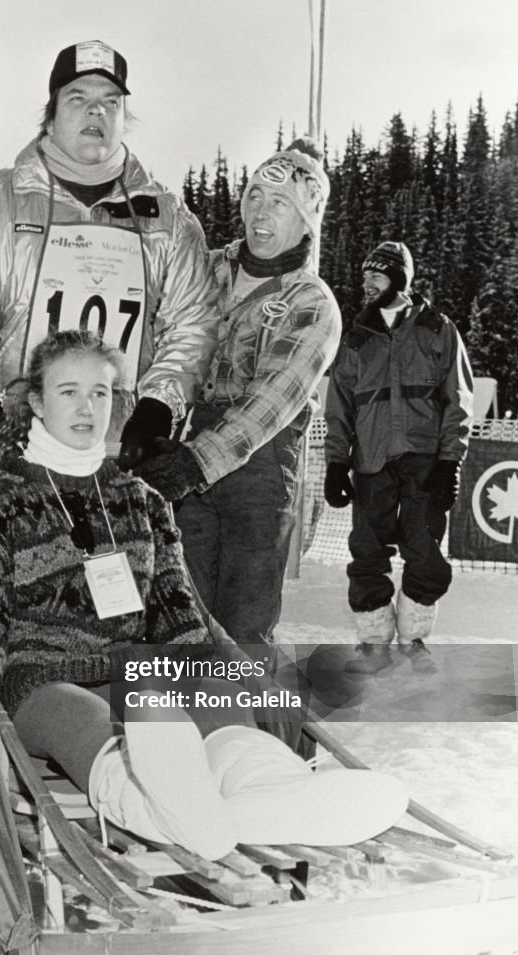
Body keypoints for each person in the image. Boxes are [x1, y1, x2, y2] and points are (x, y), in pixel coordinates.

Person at [0, 329, 408, 862]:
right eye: (68, 392)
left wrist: (241, 680)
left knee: (209, 698)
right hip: (40, 676)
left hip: (137, 673)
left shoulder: (139, 499)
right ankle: (145, 805)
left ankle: (266, 788)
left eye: (100, 393)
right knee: (80, 714)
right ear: (36, 401)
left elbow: (180, 616)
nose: (86, 408)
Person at [0, 39, 218, 473]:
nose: (95, 112)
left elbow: (192, 324)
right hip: (16, 450)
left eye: (110, 102)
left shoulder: (167, 220)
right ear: (52, 112)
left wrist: (158, 408)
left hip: (118, 454)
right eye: (78, 98)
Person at [137, 140, 340, 659]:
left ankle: (248, 734)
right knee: (180, 614)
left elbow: (269, 404)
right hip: (182, 452)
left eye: (280, 203)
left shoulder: (311, 302)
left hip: (259, 471)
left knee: (244, 625)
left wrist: (196, 462)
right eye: (255, 196)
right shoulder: (204, 270)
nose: (260, 213)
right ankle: (179, 730)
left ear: (307, 221)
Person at [324, 241, 474, 673]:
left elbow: (458, 400)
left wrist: (451, 461)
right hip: (371, 463)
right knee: (367, 553)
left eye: (377, 275)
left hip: (425, 462)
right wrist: (337, 462)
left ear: (400, 279)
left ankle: (414, 640)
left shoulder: (437, 329)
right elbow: (339, 407)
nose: (367, 284)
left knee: (424, 552)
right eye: (364, 276)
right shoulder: (355, 337)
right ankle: (373, 643)